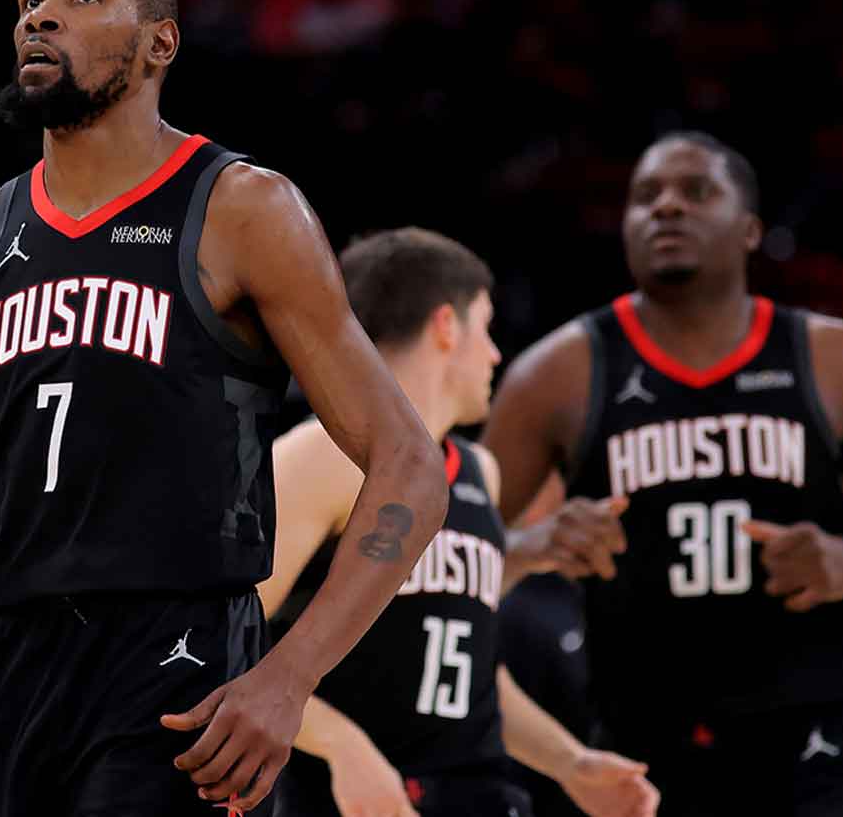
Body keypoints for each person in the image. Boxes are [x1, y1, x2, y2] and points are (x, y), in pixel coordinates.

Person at [0, 0, 448, 816]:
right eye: (29, 2)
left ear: (161, 42)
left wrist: (286, 678)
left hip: (176, 659)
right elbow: (11, 523)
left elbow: (411, 465)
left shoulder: (241, 208)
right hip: (12, 657)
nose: (41, 17)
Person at [483, 132, 843, 816]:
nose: (667, 208)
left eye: (696, 191)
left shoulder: (838, 360)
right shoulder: (557, 374)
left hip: (810, 742)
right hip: (636, 744)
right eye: (645, 197)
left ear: (749, 230)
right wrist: (535, 548)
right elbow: (450, 560)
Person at [262, 229, 657, 817]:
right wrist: (342, 744)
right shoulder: (321, 456)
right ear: (446, 325)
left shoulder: (480, 471)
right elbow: (226, 643)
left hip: (478, 789)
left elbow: (470, 668)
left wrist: (570, 762)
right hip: (354, 797)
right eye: (487, 327)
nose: (497, 354)